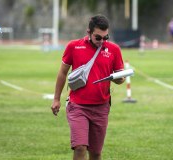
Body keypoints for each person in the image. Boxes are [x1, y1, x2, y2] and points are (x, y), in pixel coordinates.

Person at [51, 14, 125, 160]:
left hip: (101, 108)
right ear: (89, 32)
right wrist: (56, 99)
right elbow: (62, 73)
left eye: (106, 37)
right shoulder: (73, 46)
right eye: (98, 37)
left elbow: (120, 78)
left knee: (96, 153)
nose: (102, 41)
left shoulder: (114, 50)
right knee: (80, 148)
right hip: (77, 106)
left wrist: (118, 79)